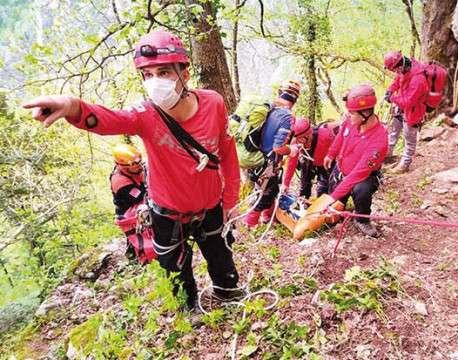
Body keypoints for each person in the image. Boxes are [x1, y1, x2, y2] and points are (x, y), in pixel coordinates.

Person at [23, 29, 242, 309]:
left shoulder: (213, 103)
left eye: (163, 72)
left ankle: (228, 293)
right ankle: (190, 313)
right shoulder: (146, 114)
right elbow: (110, 120)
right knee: (176, 269)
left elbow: (226, 152)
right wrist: (74, 107)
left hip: (211, 205)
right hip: (167, 212)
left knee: (220, 254)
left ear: (184, 73)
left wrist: (230, 199)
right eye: (147, 75)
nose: (155, 82)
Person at [320, 84, 388, 238]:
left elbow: (359, 173)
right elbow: (340, 137)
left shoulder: (379, 140)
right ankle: (337, 210)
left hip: (362, 176)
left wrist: (332, 197)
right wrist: (330, 154)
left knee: (361, 190)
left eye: (351, 113)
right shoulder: (351, 122)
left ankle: (362, 219)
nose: (348, 115)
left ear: (366, 113)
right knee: (336, 201)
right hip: (341, 169)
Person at [243, 80, 301, 227]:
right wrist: (291, 150)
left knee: (270, 190)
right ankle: (250, 223)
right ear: (294, 100)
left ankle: (268, 217)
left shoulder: (270, 109)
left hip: (256, 158)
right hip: (268, 163)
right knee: (265, 195)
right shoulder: (286, 116)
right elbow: (278, 147)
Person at [383, 50, 429, 174]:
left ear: (400, 65)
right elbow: (398, 80)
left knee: (409, 139)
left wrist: (392, 98)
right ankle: (387, 155)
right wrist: (390, 90)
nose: (394, 72)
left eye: (394, 69)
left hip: (413, 112)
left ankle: (405, 164)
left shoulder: (418, 79)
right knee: (393, 132)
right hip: (401, 108)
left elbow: (408, 101)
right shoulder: (404, 68)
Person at [281, 117, 339, 199]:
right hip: (308, 162)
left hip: (326, 164)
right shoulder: (296, 143)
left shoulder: (325, 136)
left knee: (323, 189)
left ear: (308, 135)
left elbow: (339, 148)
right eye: (296, 139)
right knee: (304, 187)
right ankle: (303, 203)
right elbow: (292, 162)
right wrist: (285, 184)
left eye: (300, 139)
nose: (298, 142)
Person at [110, 143, 146, 218]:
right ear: (124, 167)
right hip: (130, 213)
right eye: (135, 166)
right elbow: (140, 196)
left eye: (139, 163)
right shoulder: (121, 182)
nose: (140, 167)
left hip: (139, 201)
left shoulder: (134, 168)